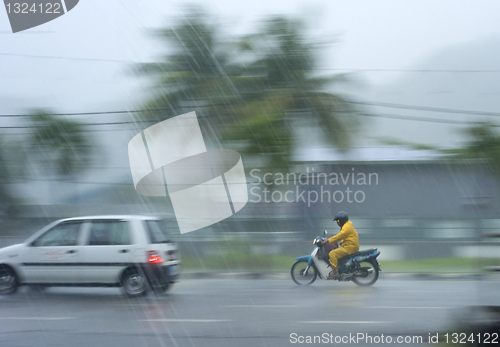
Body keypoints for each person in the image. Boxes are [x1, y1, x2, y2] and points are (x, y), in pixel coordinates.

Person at [321, 211, 359, 279]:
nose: (337, 223)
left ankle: (335, 272)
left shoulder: (346, 227)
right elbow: (341, 236)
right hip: (349, 245)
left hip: (349, 247)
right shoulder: (348, 224)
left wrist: (328, 241)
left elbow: (340, 236)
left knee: (332, 254)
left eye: (338, 222)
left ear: (342, 221)